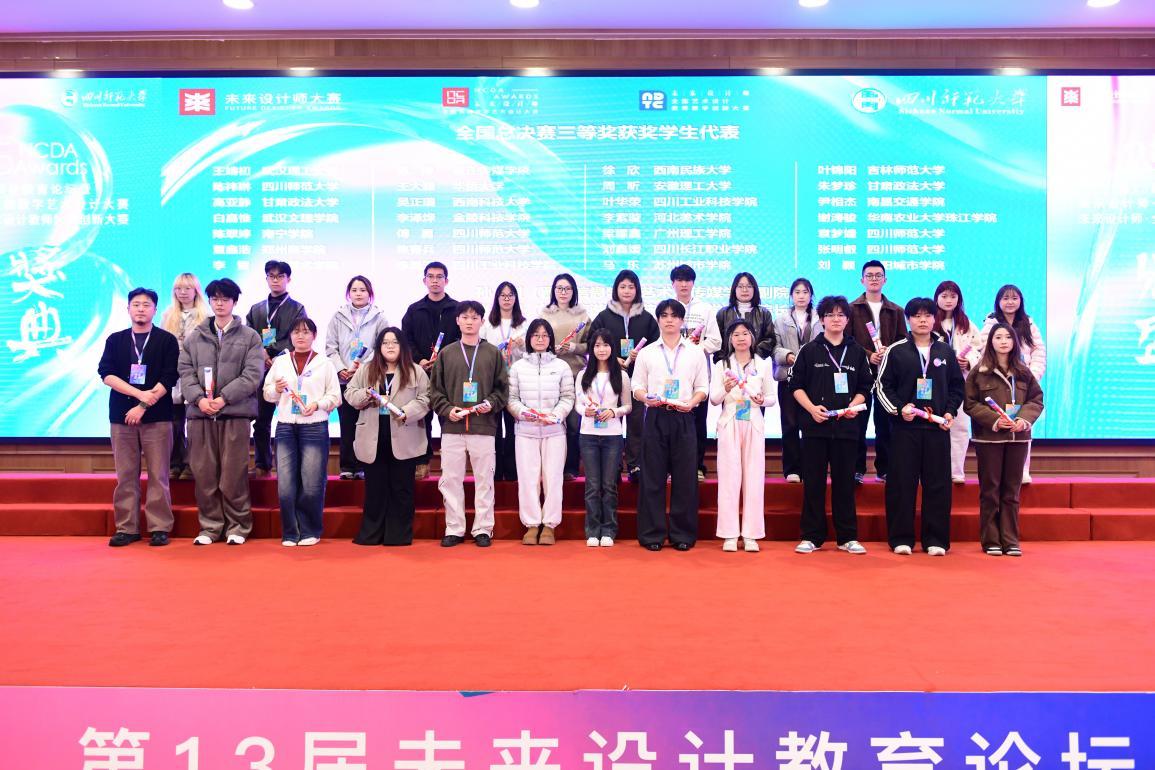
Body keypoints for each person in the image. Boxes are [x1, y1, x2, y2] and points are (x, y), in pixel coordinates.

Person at [178, 278, 266, 546]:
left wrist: (223, 398)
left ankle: (238, 526)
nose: (219, 303)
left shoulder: (250, 337)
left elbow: (253, 375)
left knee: (233, 474)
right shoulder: (195, 337)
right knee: (204, 474)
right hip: (200, 415)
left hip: (235, 415)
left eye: (225, 299)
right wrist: (199, 399)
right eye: (215, 299)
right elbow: (185, 372)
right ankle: (210, 527)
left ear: (234, 302)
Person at [876, 297, 966, 557]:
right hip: (905, 430)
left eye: (927, 315)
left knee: (938, 485)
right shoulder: (896, 351)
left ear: (934, 319)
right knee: (901, 484)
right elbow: (882, 387)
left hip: (937, 429)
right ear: (908, 320)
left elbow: (957, 387)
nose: (923, 320)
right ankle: (900, 538)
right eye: (917, 316)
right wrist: (898, 409)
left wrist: (949, 411)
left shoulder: (945, 351)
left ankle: (935, 539)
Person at [789, 295, 872, 556]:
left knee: (844, 484)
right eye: (830, 315)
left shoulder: (857, 352)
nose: (836, 319)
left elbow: (865, 387)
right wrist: (812, 409)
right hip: (815, 427)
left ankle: (847, 537)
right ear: (822, 319)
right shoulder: (809, 350)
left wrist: (853, 406)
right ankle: (811, 536)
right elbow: (796, 386)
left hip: (847, 429)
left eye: (840, 315)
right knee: (813, 483)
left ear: (847, 320)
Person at [98, 288, 180, 547]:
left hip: (158, 417)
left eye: (146, 304)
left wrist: (143, 405)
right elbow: (106, 374)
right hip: (121, 417)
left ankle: (159, 527)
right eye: (136, 304)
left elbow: (169, 376)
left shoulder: (166, 340)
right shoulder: (116, 340)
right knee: (125, 475)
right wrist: (137, 395)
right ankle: (127, 528)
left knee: (159, 475)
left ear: (155, 309)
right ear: (128, 309)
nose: (141, 309)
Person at [429, 300, 509, 547]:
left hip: (484, 427)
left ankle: (483, 529)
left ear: (482, 322)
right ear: (457, 321)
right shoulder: (447, 353)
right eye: (465, 317)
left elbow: (502, 390)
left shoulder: (493, 353)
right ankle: (454, 528)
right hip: (452, 427)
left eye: (475, 318)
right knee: (450, 480)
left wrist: (490, 403)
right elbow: (435, 391)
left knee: (484, 480)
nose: (469, 322)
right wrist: (447, 410)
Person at [632, 299, 709, 551]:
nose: (669, 320)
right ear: (658, 320)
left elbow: (702, 388)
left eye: (674, 315)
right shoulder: (647, 352)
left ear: (682, 320)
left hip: (684, 417)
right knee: (652, 477)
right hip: (656, 415)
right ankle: (652, 535)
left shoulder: (695, 352)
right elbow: (636, 386)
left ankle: (682, 535)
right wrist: (646, 398)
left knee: (685, 478)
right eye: (664, 315)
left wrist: (692, 403)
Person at [964, 323, 1045, 557]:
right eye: (998, 337)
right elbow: (970, 404)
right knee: (990, 490)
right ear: (990, 342)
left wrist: (1023, 420)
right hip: (989, 439)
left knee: (1011, 491)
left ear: (1014, 342)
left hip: (1018, 439)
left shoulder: (1024, 371)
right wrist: (995, 420)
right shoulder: (979, 372)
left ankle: (1010, 539)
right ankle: (991, 540)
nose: (1003, 341)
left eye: (1008, 337)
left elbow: (1036, 400)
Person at [346, 327, 431, 546]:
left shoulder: (415, 371)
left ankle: (398, 535)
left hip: (404, 433)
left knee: (402, 489)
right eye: (385, 343)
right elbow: (350, 394)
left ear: (402, 346)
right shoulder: (366, 370)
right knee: (375, 488)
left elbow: (426, 398)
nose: (390, 346)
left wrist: (407, 412)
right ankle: (371, 534)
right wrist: (366, 394)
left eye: (394, 342)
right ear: (379, 347)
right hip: (373, 436)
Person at [264, 317, 342, 547]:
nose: (301, 336)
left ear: (314, 336)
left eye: (306, 332)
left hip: (314, 426)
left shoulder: (324, 363)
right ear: (290, 336)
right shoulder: (281, 362)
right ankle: (290, 532)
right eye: (296, 332)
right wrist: (276, 389)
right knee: (285, 484)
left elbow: (335, 396)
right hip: (286, 425)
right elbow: (267, 393)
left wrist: (317, 405)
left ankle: (310, 530)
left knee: (312, 483)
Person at [507, 319, 575, 545]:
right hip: (525, 430)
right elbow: (512, 399)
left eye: (545, 335)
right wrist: (524, 413)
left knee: (553, 479)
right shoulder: (518, 367)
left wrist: (556, 415)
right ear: (529, 338)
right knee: (528, 479)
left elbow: (568, 397)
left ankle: (549, 525)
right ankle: (532, 524)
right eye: (536, 335)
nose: (540, 339)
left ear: (551, 340)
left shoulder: (561, 366)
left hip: (554, 431)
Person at [589, 269, 659, 483]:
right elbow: (592, 343)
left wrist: (642, 354)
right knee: (614, 419)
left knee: (636, 421)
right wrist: (613, 359)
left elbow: (657, 347)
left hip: (638, 379)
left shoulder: (647, 318)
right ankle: (615, 465)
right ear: (616, 289)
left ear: (637, 289)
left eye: (631, 286)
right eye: (622, 286)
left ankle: (635, 464)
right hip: (611, 378)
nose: (627, 291)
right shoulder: (603, 316)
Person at [710, 319, 774, 552]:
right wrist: (726, 388)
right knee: (729, 478)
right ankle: (729, 534)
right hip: (729, 422)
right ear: (730, 339)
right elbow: (714, 399)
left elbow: (771, 398)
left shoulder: (763, 364)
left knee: (754, 479)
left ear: (752, 337)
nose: (740, 338)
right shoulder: (721, 365)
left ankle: (751, 534)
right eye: (736, 334)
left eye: (745, 333)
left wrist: (762, 400)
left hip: (753, 422)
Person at [979, 284, 1046, 484]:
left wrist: (1032, 375)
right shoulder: (991, 323)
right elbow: (983, 350)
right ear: (998, 301)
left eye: (1014, 298)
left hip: (1023, 383)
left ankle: (1022, 471)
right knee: (1001, 426)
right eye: (1006, 298)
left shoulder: (1029, 323)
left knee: (1023, 425)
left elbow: (1039, 351)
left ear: (1021, 301)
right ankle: (1000, 473)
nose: (1010, 302)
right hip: (998, 383)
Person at [246, 260, 307, 476]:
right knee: (261, 420)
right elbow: (248, 337)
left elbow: (299, 337)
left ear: (288, 279)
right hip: (260, 369)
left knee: (290, 418)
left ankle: (290, 465)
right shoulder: (256, 309)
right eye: (271, 276)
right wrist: (261, 353)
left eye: (280, 276)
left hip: (286, 369)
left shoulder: (297, 308)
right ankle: (262, 464)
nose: (275, 280)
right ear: (266, 279)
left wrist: (277, 357)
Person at [325, 275, 389, 480]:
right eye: (354, 290)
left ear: (370, 293)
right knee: (346, 423)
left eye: (363, 290)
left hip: (367, 379)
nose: (358, 293)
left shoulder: (379, 317)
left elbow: (382, 347)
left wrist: (362, 368)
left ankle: (363, 466)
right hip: (344, 379)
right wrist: (341, 368)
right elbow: (330, 348)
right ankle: (347, 466)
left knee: (365, 425)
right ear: (348, 293)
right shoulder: (338, 317)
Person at [401, 261, 460, 480]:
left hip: (449, 374)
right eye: (431, 277)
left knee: (449, 419)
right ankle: (421, 462)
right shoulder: (414, 310)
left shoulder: (457, 309)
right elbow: (405, 340)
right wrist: (420, 359)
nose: (435, 281)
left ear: (447, 280)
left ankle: (450, 464)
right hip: (420, 374)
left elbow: (461, 339)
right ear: (424, 280)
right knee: (420, 420)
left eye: (439, 277)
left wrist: (444, 360)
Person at [849, 260, 907, 484]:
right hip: (860, 373)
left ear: (885, 280)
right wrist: (868, 355)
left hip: (887, 375)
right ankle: (857, 469)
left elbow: (903, 341)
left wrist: (887, 354)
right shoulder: (852, 309)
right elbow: (848, 340)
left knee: (886, 423)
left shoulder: (896, 310)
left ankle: (885, 469)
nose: (874, 279)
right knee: (858, 422)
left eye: (878, 275)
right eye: (869, 275)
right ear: (862, 280)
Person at [576, 328, 632, 547]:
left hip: (612, 436)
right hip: (588, 435)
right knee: (592, 485)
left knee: (609, 485)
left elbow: (628, 406)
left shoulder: (622, 375)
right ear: (592, 348)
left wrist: (613, 412)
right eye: (597, 345)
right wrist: (585, 411)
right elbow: (577, 404)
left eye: (606, 345)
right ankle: (592, 531)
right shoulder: (583, 375)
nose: (601, 349)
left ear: (612, 348)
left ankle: (608, 530)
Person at [670, 264, 723, 480]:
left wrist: (694, 349)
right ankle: (672, 467)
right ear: (672, 284)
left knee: (698, 422)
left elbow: (716, 341)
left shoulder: (705, 309)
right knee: (672, 424)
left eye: (687, 280)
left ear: (693, 283)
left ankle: (698, 466)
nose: (684, 284)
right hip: (672, 376)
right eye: (679, 280)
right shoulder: (667, 309)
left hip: (698, 375)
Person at [539, 273, 591, 480]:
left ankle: (570, 468)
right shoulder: (544, 314)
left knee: (573, 424)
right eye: (559, 288)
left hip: (575, 373)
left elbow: (591, 345)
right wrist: (551, 348)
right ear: (554, 290)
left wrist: (573, 347)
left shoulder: (583, 315)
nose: (563, 292)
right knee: (552, 422)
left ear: (573, 291)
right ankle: (551, 466)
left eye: (567, 288)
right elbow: (537, 341)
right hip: (550, 373)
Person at [773, 277, 822, 483]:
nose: (801, 296)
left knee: (812, 424)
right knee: (790, 424)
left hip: (815, 379)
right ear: (791, 295)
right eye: (797, 292)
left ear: (811, 295)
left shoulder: (821, 319)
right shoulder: (780, 320)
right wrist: (788, 356)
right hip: (788, 378)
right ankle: (792, 469)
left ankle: (811, 467)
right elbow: (774, 347)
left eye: (805, 292)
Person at [933, 280, 983, 484]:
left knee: (960, 427)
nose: (948, 300)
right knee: (933, 425)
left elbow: (980, 350)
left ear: (959, 300)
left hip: (959, 383)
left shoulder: (966, 324)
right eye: (944, 296)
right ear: (936, 298)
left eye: (953, 296)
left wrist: (968, 361)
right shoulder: (929, 320)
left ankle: (956, 471)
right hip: (934, 382)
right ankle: (933, 471)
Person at [159, 272, 208, 481]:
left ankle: (191, 464)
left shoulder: (205, 316)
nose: (183, 292)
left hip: (195, 375)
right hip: (172, 375)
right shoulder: (167, 314)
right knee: (173, 422)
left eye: (187, 288)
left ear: (196, 290)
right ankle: (175, 463)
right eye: (178, 288)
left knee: (194, 423)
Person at [481, 281, 529, 482]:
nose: (507, 299)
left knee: (513, 427)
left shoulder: (524, 324)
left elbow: (531, 353)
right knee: (493, 427)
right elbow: (480, 350)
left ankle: (511, 470)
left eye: (511, 295)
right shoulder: (488, 324)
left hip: (516, 381)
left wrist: (523, 345)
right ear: (497, 298)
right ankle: (495, 469)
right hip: (493, 381)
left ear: (516, 298)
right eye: (503, 295)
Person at [714, 272, 779, 363]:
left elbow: (770, 339)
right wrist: (726, 360)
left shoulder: (764, 313)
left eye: (749, 286)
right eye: (740, 286)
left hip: (756, 362)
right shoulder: (723, 313)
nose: (744, 290)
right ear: (734, 289)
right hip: (728, 363)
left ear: (754, 289)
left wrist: (753, 355)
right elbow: (717, 340)